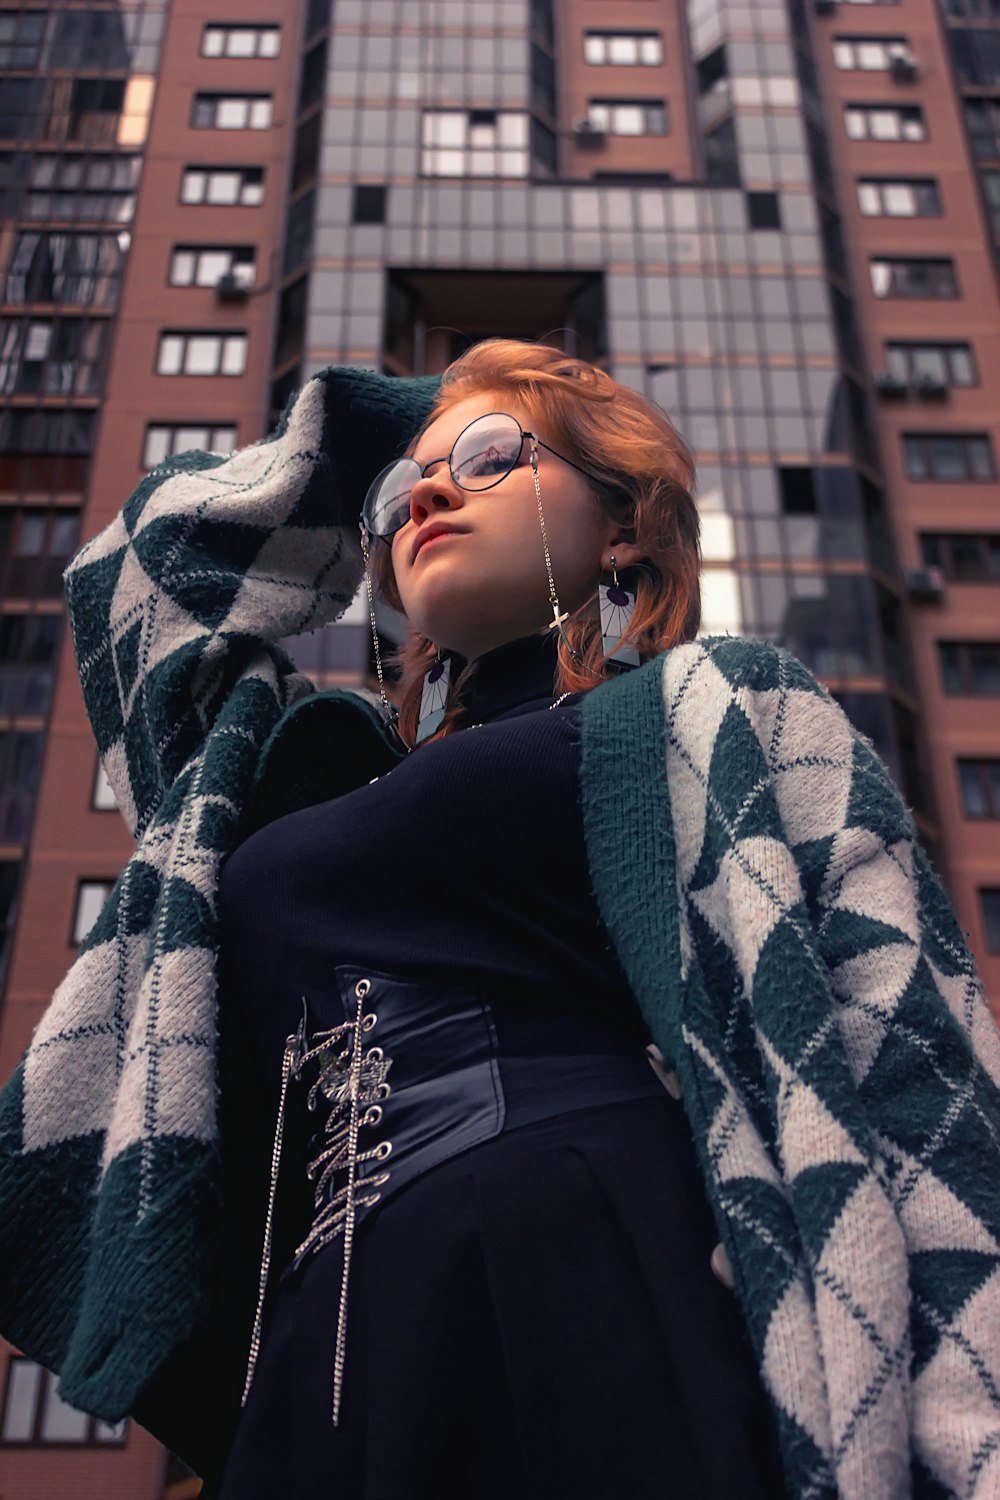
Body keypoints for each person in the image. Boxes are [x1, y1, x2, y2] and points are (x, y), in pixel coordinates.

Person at [1, 340, 999, 1500]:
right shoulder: (279, 770)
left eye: (484, 461)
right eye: (401, 490)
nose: (425, 492)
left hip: (591, 1254)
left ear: (621, 525)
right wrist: (454, 420)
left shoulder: (709, 703)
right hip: (325, 1338)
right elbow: (146, 569)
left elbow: (905, 1036)